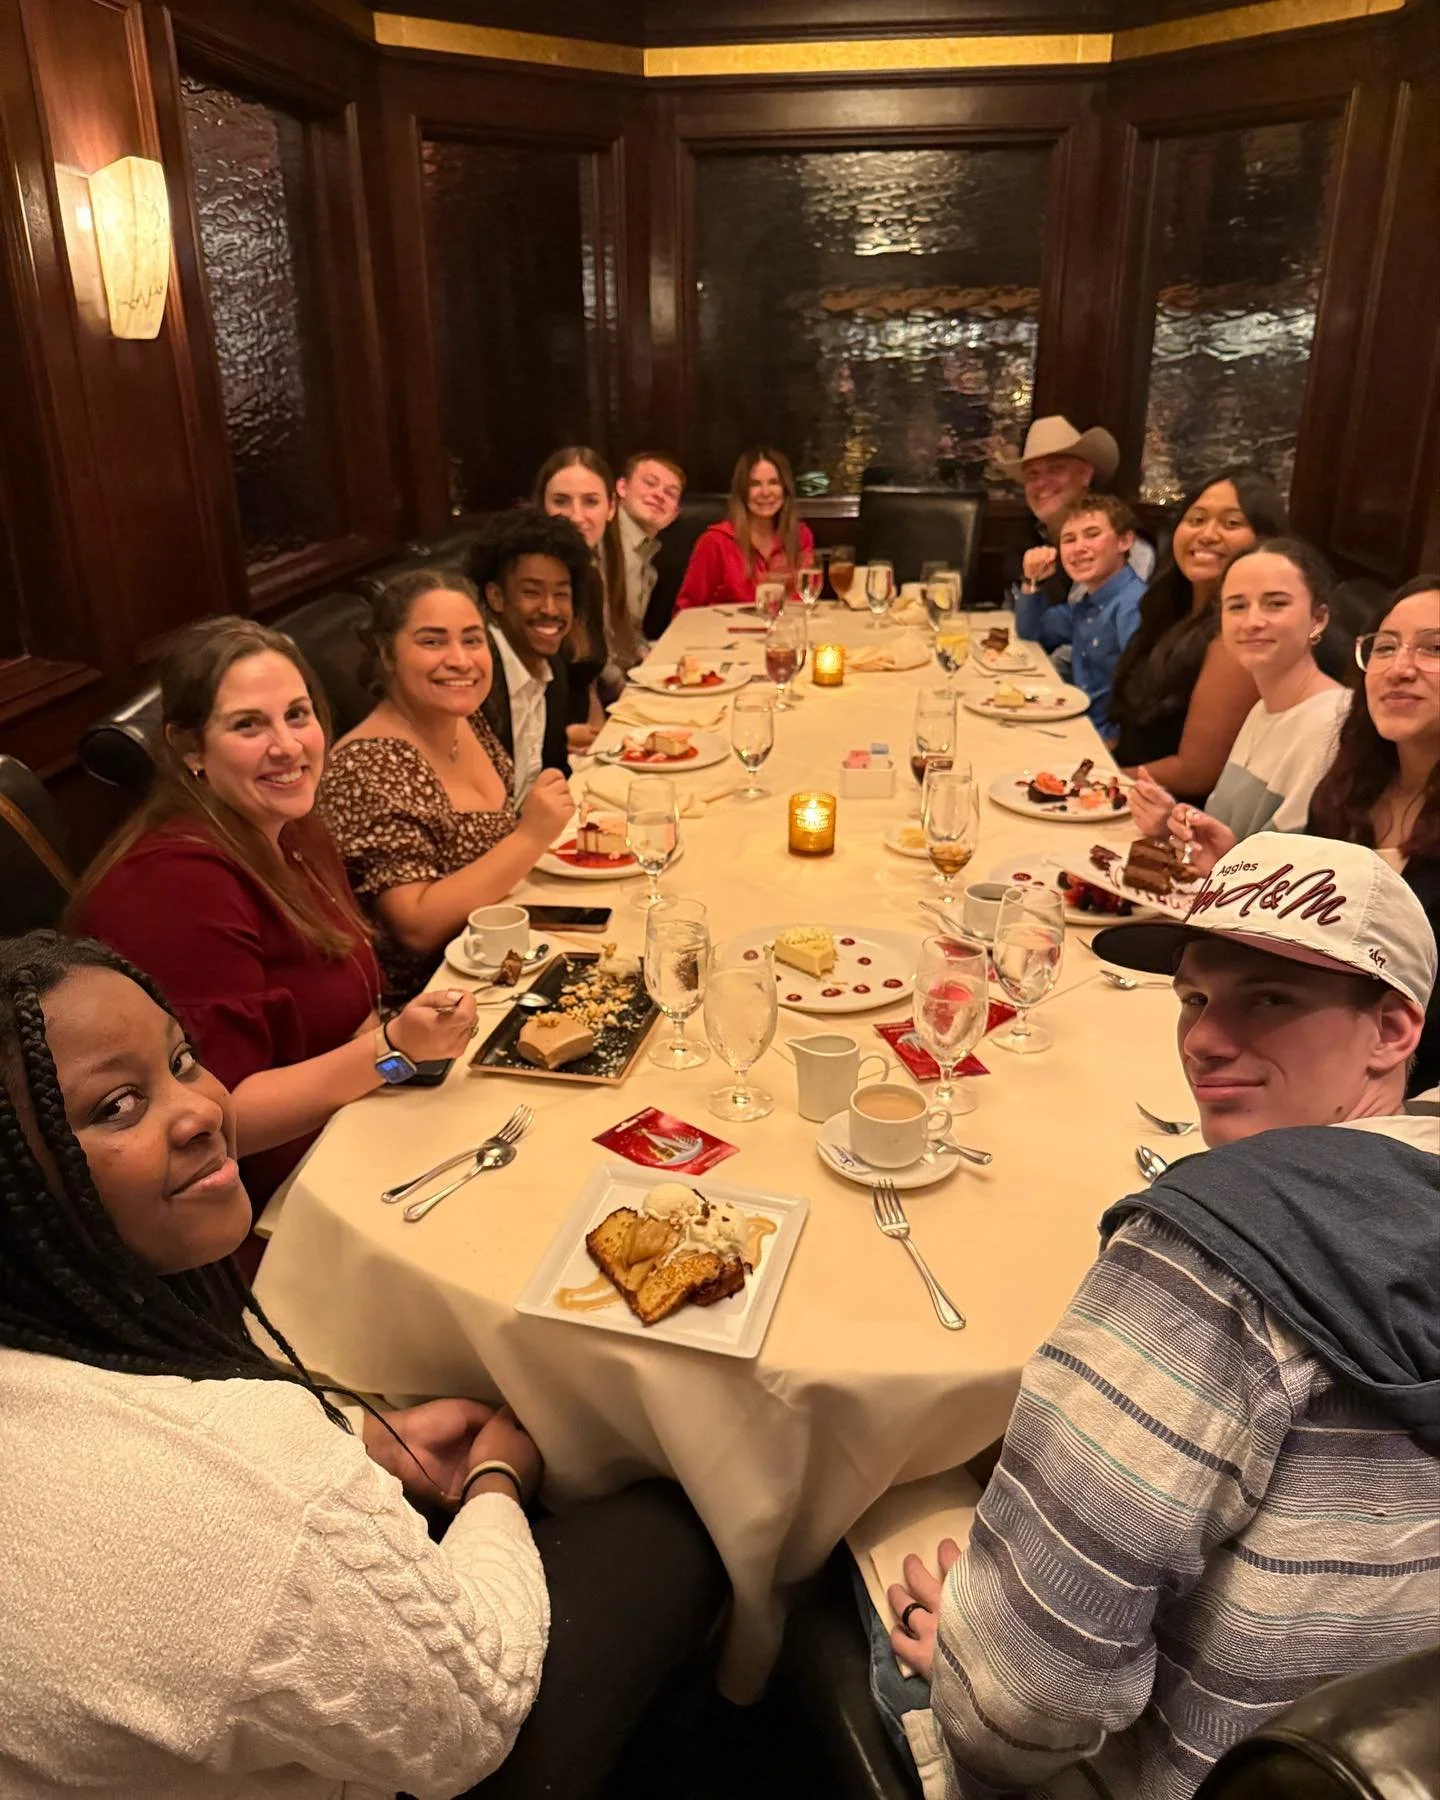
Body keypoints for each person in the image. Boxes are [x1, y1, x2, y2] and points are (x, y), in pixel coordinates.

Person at [0, 931, 726, 1799]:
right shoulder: (239, 1491)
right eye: (116, 1106)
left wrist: (354, 1440)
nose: (200, 1110)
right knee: (670, 1520)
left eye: (183, 1059)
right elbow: (471, 1719)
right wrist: (497, 1483)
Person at [876, 833, 1439, 1800]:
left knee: (880, 1501)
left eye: (1269, 998)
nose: (1204, 1040)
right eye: (1194, 998)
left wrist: (972, 1658)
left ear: (1392, 1030)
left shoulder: (1217, 1252)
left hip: (1186, 1772)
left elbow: (1020, 1706)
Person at [73, 617, 476, 1214]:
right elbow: (219, 1115)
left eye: (298, 714)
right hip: (248, 1206)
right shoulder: (175, 883)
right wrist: (394, 1052)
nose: (288, 746)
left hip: (344, 1136)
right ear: (190, 750)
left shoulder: (290, 828)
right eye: (247, 725)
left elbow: (348, 1007)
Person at [1167, 575, 1440, 1094]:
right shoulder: (1348, 789)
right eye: (1385, 647)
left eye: (1434, 649)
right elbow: (1310, 938)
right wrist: (1242, 873)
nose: (1400, 669)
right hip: (1291, 1065)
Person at [320, 566, 572, 1002]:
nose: (460, 660)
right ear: (387, 653)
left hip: (502, 966)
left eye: (472, 640)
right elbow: (417, 928)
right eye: (432, 641)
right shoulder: (368, 764)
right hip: (431, 1008)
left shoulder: (462, 719)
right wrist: (532, 834)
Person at [1130, 538, 1351, 844]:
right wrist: (1173, 826)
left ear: (1318, 619)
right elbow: (1226, 845)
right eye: (1237, 606)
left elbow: (1286, 877)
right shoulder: (1262, 709)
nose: (1252, 622)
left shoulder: (1332, 724)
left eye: (1276, 603)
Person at [1108, 468, 1289, 801]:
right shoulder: (1171, 611)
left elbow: (1195, 773)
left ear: (1264, 541)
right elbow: (1139, 734)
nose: (1207, 534)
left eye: (1231, 523)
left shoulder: (1238, 639)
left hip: (1168, 820)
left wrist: (1103, 779)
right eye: (1196, 519)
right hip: (1131, 790)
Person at [1013, 493, 1146, 740]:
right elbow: (1032, 633)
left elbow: (1144, 695)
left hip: (1105, 742)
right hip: (1078, 724)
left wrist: (1113, 745)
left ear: (1125, 541)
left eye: (1092, 535)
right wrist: (1031, 581)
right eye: (1069, 539)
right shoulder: (1087, 603)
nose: (1079, 548)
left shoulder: (1133, 605)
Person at [1003, 415, 1155, 607]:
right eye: (1033, 474)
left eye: (1056, 469)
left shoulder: (1123, 546)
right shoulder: (1026, 536)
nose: (1041, 483)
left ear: (1085, 475)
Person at [533, 447, 626, 750]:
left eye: (590, 501)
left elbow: (587, 682)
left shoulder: (590, 579)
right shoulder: (523, 592)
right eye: (561, 501)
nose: (576, 516)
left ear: (611, 508)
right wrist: (559, 740)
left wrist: (604, 742)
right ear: (541, 507)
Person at [675, 446, 814, 610]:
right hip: (725, 633)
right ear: (742, 491)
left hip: (786, 632)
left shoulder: (801, 536)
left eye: (774, 482)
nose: (765, 492)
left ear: (785, 490)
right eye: (755, 484)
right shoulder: (714, 542)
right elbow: (686, 611)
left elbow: (803, 602)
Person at [615, 449, 685, 651]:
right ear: (622, 487)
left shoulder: (645, 554)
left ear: (675, 513)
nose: (659, 495)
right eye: (650, 483)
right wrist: (619, 682)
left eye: (671, 493)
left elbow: (629, 638)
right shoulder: (604, 541)